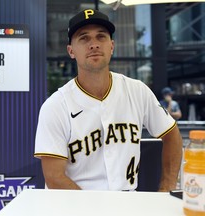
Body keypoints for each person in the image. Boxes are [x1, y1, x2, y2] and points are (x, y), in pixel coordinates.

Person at [34, 9, 183, 191]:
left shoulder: (137, 91)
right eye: (84, 38)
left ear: (111, 46)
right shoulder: (56, 105)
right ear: (71, 51)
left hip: (127, 203)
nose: (94, 44)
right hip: (75, 207)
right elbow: (54, 177)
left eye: (101, 37)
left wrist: (167, 187)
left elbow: (172, 134)